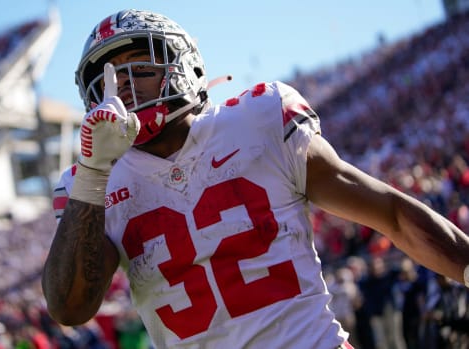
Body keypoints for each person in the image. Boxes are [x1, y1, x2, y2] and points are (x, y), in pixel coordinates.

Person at [41, 8, 469, 348]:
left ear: (183, 65)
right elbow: (70, 308)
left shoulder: (260, 120)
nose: (125, 89)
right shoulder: (90, 183)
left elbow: (391, 214)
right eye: (110, 80)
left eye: (138, 66)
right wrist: (95, 172)